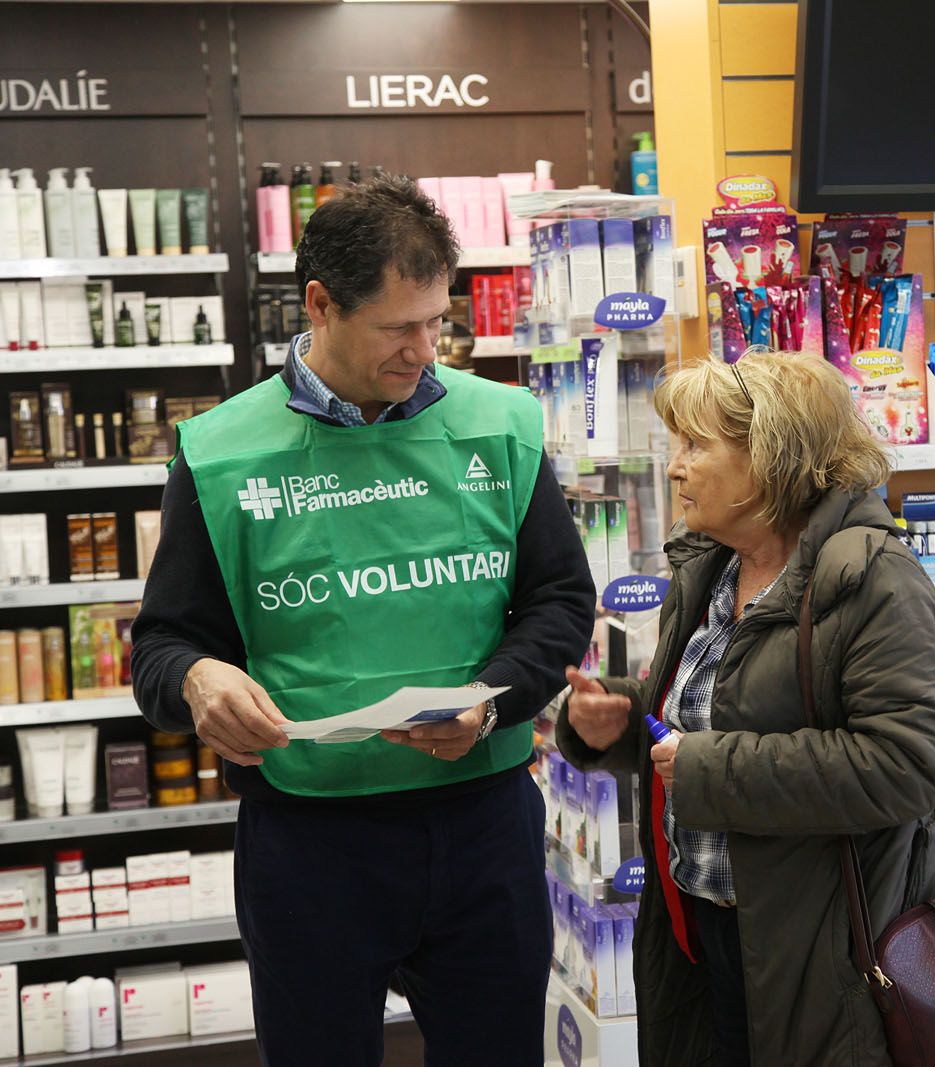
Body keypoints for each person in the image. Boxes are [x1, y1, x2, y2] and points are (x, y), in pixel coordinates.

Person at [130, 175, 594, 1066]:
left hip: (482, 829)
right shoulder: (223, 451)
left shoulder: (501, 425)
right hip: (310, 845)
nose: (425, 349)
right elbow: (162, 642)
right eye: (397, 327)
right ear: (320, 304)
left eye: (436, 321)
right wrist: (198, 678)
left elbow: (560, 602)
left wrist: (490, 698)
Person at [557, 351, 935, 1066]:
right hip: (702, 939)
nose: (675, 467)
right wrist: (624, 723)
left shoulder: (873, 582)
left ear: (773, 457)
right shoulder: (709, 568)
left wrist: (709, 769)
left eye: (696, 446)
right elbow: (709, 719)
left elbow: (910, 762)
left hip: (820, 957)